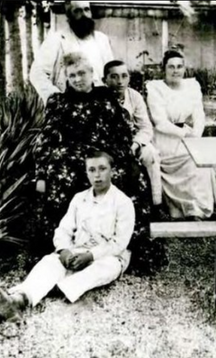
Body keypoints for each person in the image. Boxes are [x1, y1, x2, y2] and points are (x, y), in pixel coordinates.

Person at [34, 52, 164, 273]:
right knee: (62, 175)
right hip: (72, 158)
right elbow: (45, 139)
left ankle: (124, 246)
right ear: (66, 77)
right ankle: (68, 247)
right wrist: (40, 175)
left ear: (91, 73)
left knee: (133, 175)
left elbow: (123, 130)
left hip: (106, 153)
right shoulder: (59, 102)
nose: (78, 79)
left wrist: (119, 153)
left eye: (82, 73)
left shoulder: (106, 97)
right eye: (72, 75)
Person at [0, 151, 134, 323]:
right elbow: (64, 229)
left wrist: (90, 256)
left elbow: (119, 242)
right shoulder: (79, 199)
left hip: (108, 256)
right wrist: (64, 251)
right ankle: (19, 299)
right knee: (50, 261)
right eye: (92, 170)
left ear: (113, 171)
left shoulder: (123, 202)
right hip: (77, 250)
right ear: (86, 173)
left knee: (104, 269)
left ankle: (54, 288)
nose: (97, 175)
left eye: (103, 169)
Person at [146, 49, 216, 220]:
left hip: (188, 136)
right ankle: (177, 208)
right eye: (171, 67)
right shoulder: (155, 88)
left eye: (179, 66)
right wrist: (185, 134)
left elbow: (199, 115)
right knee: (191, 161)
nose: (175, 70)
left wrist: (196, 135)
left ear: (184, 68)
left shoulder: (192, 86)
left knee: (201, 160)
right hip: (166, 139)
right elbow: (160, 122)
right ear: (164, 69)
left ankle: (198, 209)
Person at [30, 1, 114, 104]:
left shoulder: (102, 39)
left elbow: (111, 72)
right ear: (69, 16)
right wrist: (54, 98)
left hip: (100, 103)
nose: (84, 15)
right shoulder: (56, 39)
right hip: (69, 104)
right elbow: (37, 73)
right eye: (77, 11)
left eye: (86, 10)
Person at [103, 60, 162, 205]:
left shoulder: (134, 96)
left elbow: (145, 127)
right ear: (105, 80)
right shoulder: (100, 97)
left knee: (150, 154)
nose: (120, 81)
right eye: (114, 77)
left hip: (133, 142)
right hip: (109, 144)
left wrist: (135, 144)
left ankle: (155, 203)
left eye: (124, 76)